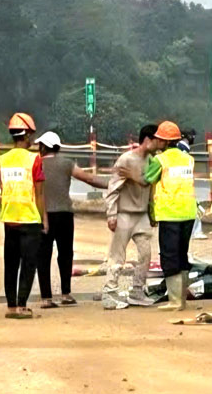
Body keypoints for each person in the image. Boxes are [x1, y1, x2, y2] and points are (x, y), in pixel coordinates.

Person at [35, 131, 108, 309]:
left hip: (42, 214)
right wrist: (113, 184)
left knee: (43, 256)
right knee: (66, 254)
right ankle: (66, 294)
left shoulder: (36, 164)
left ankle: (46, 297)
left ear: (44, 147)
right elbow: (89, 179)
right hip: (64, 213)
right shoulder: (67, 163)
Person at [102, 124, 158, 310]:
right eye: (157, 140)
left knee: (145, 254)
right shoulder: (126, 160)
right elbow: (113, 189)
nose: (160, 144)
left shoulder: (153, 161)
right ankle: (109, 293)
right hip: (124, 214)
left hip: (141, 215)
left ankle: (137, 291)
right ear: (148, 140)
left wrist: (152, 213)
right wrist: (111, 214)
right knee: (117, 256)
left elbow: (150, 187)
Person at [0, 113, 47, 319]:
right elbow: (39, 192)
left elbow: (2, 187)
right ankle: (22, 305)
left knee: (11, 263)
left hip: (9, 218)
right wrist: (44, 219)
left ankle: (11, 306)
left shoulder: (2, 159)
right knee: (28, 263)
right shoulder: (34, 158)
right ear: (26, 135)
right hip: (29, 218)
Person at [143, 121, 196, 311]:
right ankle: (181, 299)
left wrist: (149, 157)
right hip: (189, 213)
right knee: (182, 255)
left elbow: (147, 178)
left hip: (170, 213)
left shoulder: (161, 160)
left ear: (164, 141)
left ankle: (175, 301)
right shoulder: (188, 158)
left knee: (169, 256)